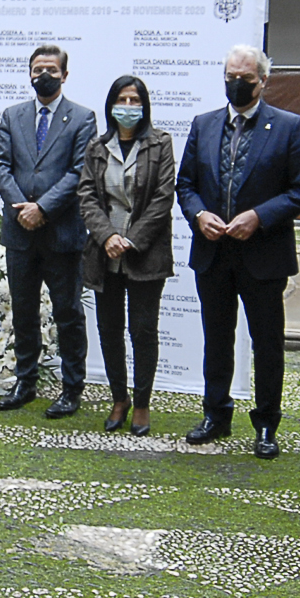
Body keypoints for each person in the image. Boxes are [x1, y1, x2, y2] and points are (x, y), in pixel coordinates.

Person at [176, 44, 300, 457]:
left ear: (263, 81)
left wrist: (259, 216)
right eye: (230, 77)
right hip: (213, 252)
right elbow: (186, 185)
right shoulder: (204, 124)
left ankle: (267, 423)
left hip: (263, 254)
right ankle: (216, 414)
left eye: (245, 79)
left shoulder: (289, 126)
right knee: (216, 339)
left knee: (267, 343)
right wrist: (199, 215)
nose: (236, 84)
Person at [0, 45, 97, 417]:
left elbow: (80, 171)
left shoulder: (83, 118)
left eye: (51, 69)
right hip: (21, 232)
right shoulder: (12, 115)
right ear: (29, 73)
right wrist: (23, 207)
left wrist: (43, 208)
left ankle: (72, 388)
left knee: (67, 312)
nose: (44, 75)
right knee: (23, 309)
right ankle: (25, 381)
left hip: (62, 232)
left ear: (65, 75)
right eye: (37, 69)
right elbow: (0, 164)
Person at [78, 75, 176, 436]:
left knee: (143, 330)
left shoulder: (160, 143)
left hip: (145, 253)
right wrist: (107, 237)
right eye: (123, 99)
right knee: (109, 330)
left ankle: (142, 403)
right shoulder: (97, 146)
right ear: (111, 105)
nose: (129, 107)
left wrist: (130, 240)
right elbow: (86, 195)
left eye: (136, 100)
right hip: (105, 254)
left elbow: (164, 197)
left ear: (145, 106)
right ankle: (118, 399)